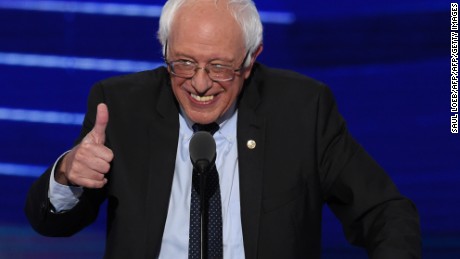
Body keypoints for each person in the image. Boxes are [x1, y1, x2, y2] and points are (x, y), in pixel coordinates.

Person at [25, 0, 421, 258]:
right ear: (164, 53)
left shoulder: (302, 110)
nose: (199, 83)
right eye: (183, 62)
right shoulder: (121, 107)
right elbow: (51, 223)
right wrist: (67, 174)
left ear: (251, 61)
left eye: (219, 67)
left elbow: (386, 212)